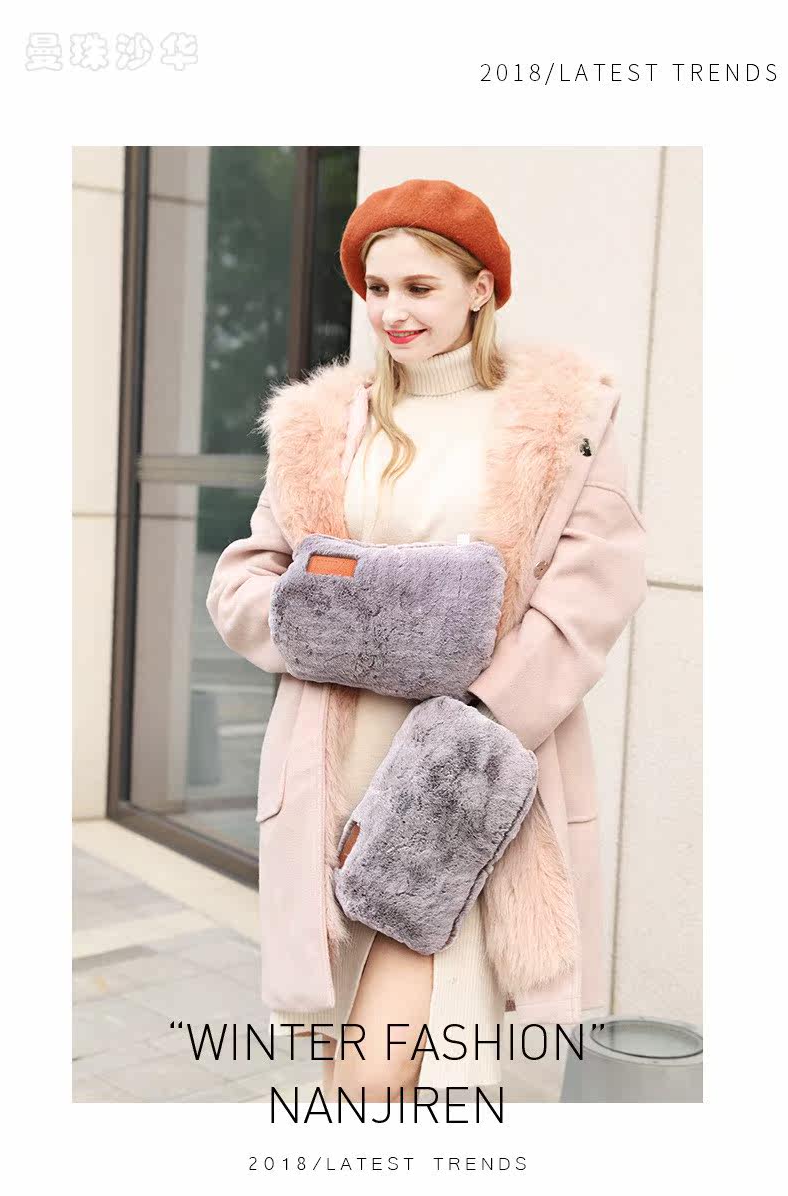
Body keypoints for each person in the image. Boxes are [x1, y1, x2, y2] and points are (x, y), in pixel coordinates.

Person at [206, 178, 648, 1102]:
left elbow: (593, 592)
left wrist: (479, 718)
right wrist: (345, 626)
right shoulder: (326, 428)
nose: (392, 312)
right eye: (377, 289)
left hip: (469, 769)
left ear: (480, 289)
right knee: (376, 1068)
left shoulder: (561, 425)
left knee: (401, 1072)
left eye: (420, 287)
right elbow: (244, 581)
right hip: (342, 764)